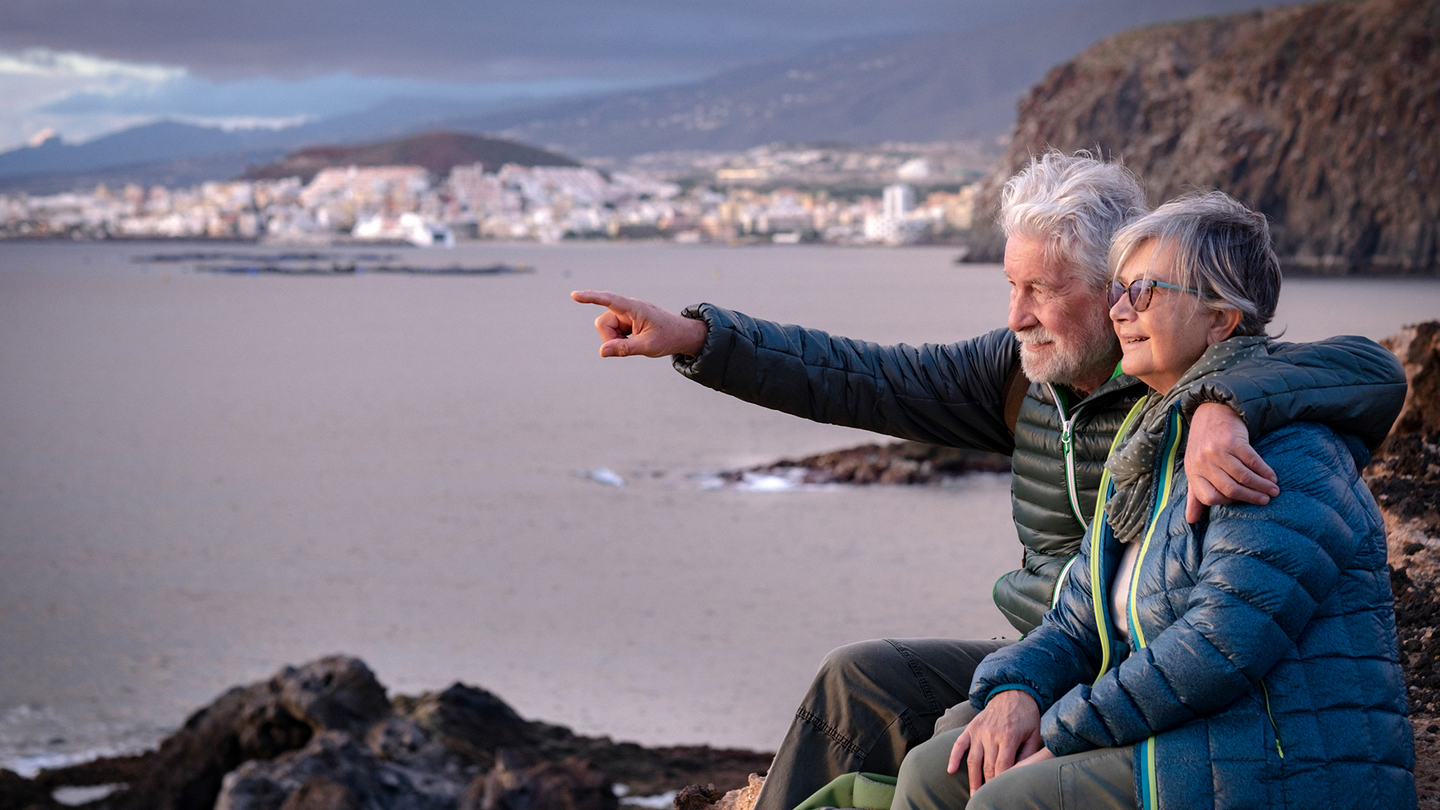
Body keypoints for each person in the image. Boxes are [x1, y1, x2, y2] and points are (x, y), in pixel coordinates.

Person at [572, 151, 1408, 810]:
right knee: (858, 678)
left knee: (957, 750)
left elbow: (1364, 370)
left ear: (1115, 284)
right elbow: (860, 376)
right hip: (1055, 647)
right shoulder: (1019, 375)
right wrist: (694, 338)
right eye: (1011, 285)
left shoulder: (1200, 400)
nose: (1016, 315)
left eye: (1043, 289)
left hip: (1146, 673)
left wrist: (1226, 402)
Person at [886, 190, 1415, 810]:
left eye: (1144, 292)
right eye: (1117, 290)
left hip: (1277, 763)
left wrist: (1062, 729)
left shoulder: (1280, 454)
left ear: (1221, 318)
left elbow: (1219, 646)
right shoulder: (1149, 443)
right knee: (935, 769)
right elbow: (1078, 619)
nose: (1119, 312)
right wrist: (1017, 689)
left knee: (1008, 797)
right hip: (1189, 736)